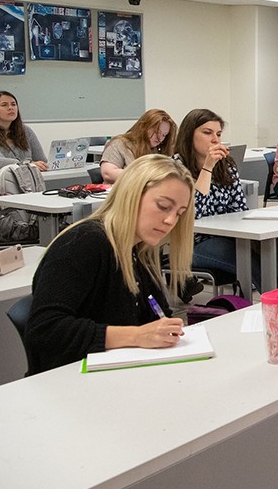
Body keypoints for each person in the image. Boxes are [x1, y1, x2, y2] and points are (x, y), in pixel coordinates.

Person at [24, 154, 194, 375]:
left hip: (119, 375)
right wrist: (136, 336)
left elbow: (158, 315)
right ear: (131, 195)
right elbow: (44, 330)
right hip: (68, 381)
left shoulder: (139, 250)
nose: (171, 221)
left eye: (179, 214)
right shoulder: (84, 243)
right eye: (163, 206)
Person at [173, 108, 260, 293]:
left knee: (271, 254)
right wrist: (207, 168)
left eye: (218, 134)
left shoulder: (226, 166)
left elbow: (239, 209)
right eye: (207, 133)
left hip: (227, 237)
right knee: (253, 265)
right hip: (194, 244)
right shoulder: (176, 167)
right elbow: (193, 214)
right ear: (189, 134)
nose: (215, 140)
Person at [99, 108, 177, 183]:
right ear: (144, 127)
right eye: (156, 132)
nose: (160, 138)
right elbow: (108, 174)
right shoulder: (119, 144)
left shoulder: (160, 149)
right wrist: (145, 177)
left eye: (164, 135)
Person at [0, 90, 48, 170]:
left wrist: (41, 165)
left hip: (26, 179)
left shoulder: (26, 130)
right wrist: (26, 164)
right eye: (4, 105)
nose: (10, 108)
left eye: (13, 104)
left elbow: (42, 160)